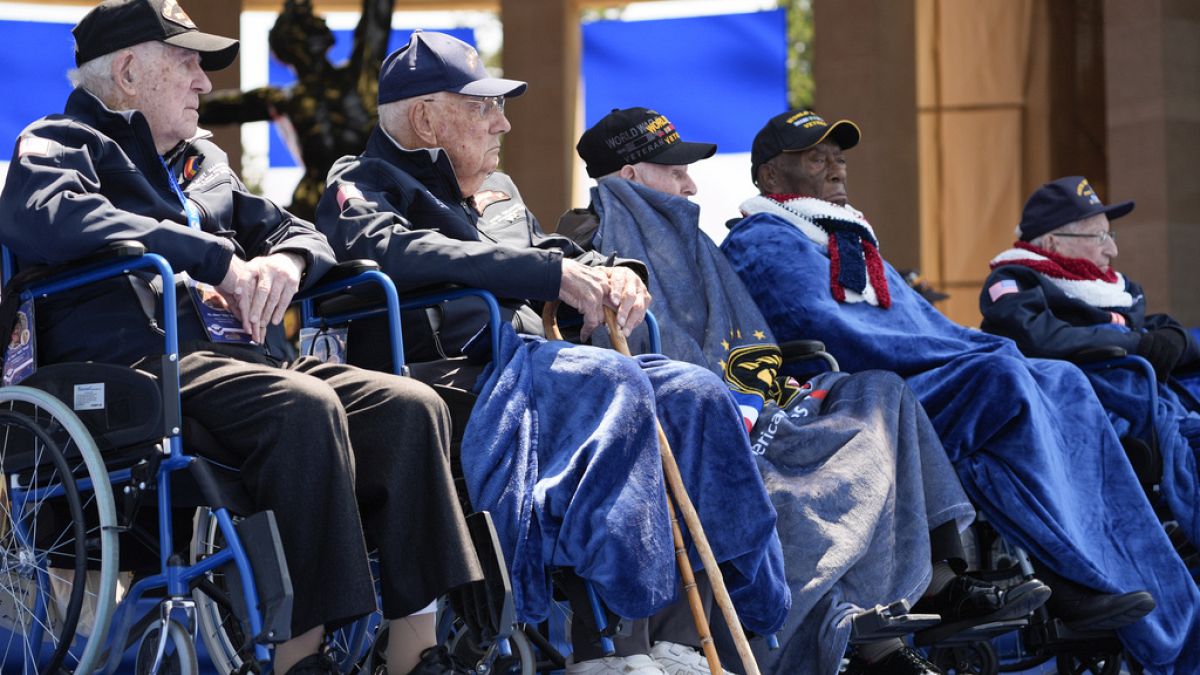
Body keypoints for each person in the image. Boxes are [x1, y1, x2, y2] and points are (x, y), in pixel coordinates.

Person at [0, 3, 481, 674]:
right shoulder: (60, 142)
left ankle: (414, 651)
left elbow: (298, 231)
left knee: (409, 405)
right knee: (301, 407)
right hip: (135, 363)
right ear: (131, 71)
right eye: (188, 64)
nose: (205, 83)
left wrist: (285, 266)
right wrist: (212, 258)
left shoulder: (204, 164)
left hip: (239, 360)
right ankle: (300, 655)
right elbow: (43, 215)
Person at [315, 31, 789, 675]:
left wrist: (617, 271)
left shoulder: (502, 191)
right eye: (483, 108)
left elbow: (560, 254)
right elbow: (394, 252)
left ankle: (697, 631)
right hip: (455, 373)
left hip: (547, 366)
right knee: (611, 378)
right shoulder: (361, 181)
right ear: (426, 117)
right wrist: (543, 275)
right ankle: (607, 642)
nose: (502, 123)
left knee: (695, 390)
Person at [547, 107, 1048, 675]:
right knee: (805, 467)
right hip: (687, 416)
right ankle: (854, 631)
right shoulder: (587, 242)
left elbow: (749, 338)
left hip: (763, 395)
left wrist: (771, 391)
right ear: (630, 175)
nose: (690, 185)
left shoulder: (695, 240)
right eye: (674, 170)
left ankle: (937, 583)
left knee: (879, 393)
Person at [720, 108, 1200, 673]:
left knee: (1063, 379)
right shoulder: (765, 239)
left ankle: (1108, 578)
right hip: (861, 390)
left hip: (921, 369)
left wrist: (971, 347)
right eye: (816, 157)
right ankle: (1076, 577)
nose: (836, 168)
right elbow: (837, 332)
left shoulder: (844, 233)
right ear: (772, 178)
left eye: (839, 156)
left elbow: (926, 325)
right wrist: (969, 352)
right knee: (1001, 378)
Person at [980, 176, 1200, 549]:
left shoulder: (1119, 290)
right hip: (1085, 415)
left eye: (1111, 235)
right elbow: (1041, 338)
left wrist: (1173, 340)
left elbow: (1152, 330)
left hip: (1144, 404)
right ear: (1052, 242)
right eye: (1099, 237)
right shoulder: (1013, 282)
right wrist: (1135, 343)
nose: (1112, 249)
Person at [199, 0, 395, 220]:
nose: (322, 20)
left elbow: (378, 16)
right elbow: (207, 108)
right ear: (295, 42)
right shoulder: (285, 100)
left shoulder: (358, 78)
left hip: (369, 197)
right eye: (309, 22)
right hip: (317, 206)